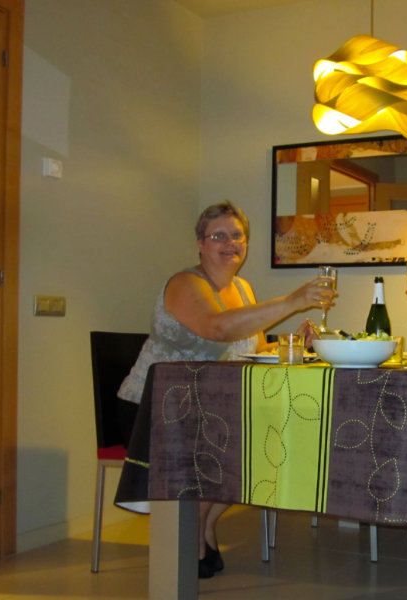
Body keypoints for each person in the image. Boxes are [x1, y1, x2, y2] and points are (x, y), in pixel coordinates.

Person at [117, 201, 336, 579]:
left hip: (211, 408)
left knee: (268, 451)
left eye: (237, 236)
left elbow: (245, 346)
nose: (230, 242)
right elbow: (216, 328)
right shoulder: (185, 283)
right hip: (156, 409)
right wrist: (290, 301)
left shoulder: (243, 287)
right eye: (219, 235)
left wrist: (289, 343)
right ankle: (187, 542)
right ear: (200, 244)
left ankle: (200, 526)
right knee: (236, 452)